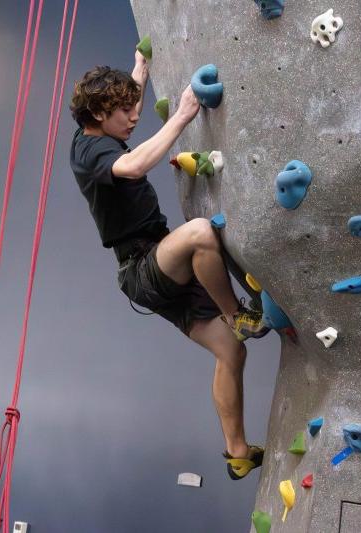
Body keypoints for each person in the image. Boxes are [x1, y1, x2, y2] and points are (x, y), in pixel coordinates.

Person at [69, 49, 269, 480]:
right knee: (199, 233)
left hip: (159, 264)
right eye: (124, 110)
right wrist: (181, 118)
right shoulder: (91, 154)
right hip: (143, 266)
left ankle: (237, 452)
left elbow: (127, 108)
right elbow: (136, 163)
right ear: (101, 113)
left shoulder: (97, 130)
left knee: (231, 352)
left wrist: (139, 71)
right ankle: (238, 315)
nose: (134, 115)